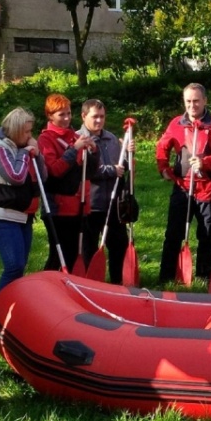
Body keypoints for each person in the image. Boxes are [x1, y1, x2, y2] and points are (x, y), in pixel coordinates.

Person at [156, 83, 211, 282]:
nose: (192, 105)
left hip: (209, 189)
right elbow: (162, 146)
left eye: (196, 101)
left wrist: (206, 162)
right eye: (188, 101)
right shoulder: (176, 124)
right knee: (173, 233)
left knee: (206, 235)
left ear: (205, 100)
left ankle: (204, 275)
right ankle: (166, 275)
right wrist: (163, 168)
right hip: (182, 188)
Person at [0, 107, 45, 294]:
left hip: (22, 216)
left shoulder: (20, 146)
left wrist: (37, 154)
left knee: (20, 266)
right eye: (26, 131)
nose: (30, 136)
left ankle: (12, 305)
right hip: (1, 216)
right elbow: (15, 176)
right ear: (15, 130)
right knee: (13, 266)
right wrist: (25, 153)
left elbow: (43, 175)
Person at [37, 94, 98, 272]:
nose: (66, 118)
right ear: (50, 116)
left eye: (69, 113)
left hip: (79, 204)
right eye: (61, 114)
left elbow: (90, 172)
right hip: (58, 207)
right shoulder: (46, 139)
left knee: (74, 254)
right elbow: (54, 171)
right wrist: (74, 149)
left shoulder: (74, 136)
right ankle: (47, 289)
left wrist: (94, 153)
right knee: (60, 255)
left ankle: (71, 288)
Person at [79, 99, 133, 284]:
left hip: (113, 204)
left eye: (102, 117)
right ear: (84, 116)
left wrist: (127, 153)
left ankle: (118, 283)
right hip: (90, 204)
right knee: (89, 248)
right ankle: (89, 283)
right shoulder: (79, 138)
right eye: (95, 117)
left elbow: (122, 168)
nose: (99, 121)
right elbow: (85, 170)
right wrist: (111, 170)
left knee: (119, 246)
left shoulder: (111, 139)